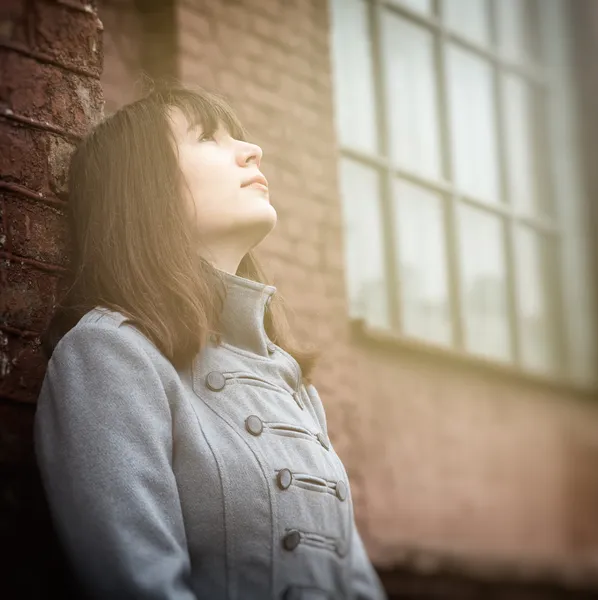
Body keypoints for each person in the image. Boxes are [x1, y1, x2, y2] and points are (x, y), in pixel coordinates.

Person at [33, 82, 388, 600]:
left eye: (239, 138)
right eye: (207, 139)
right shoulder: (110, 355)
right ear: (143, 187)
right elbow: (140, 585)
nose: (252, 151)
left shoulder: (293, 385)